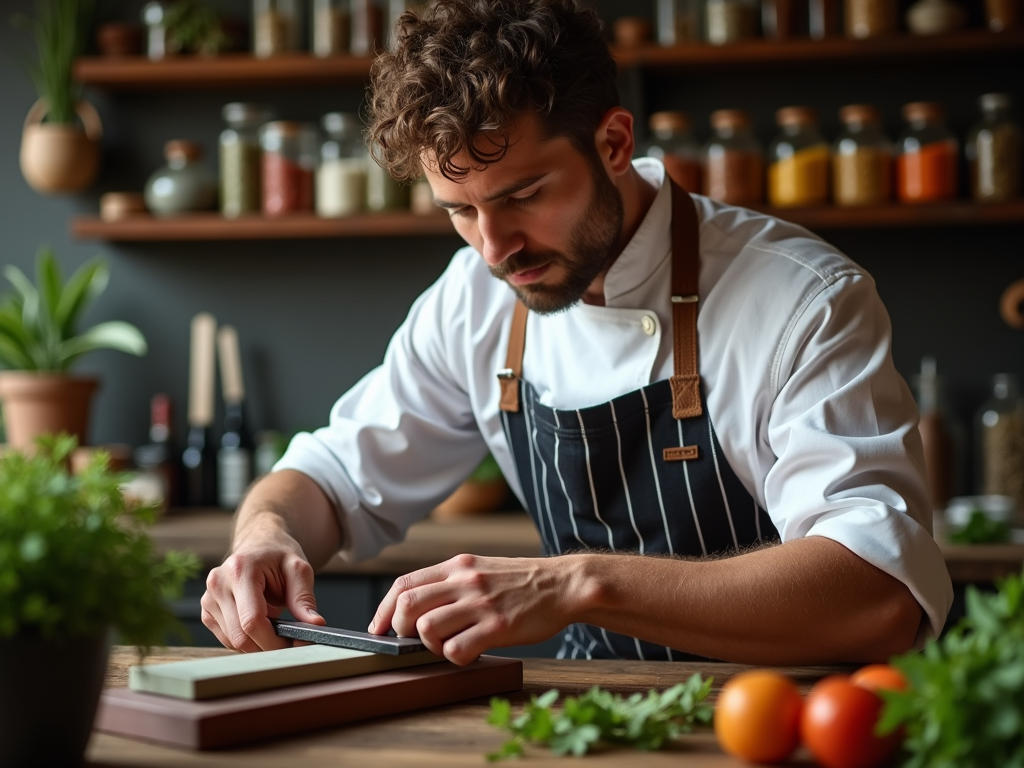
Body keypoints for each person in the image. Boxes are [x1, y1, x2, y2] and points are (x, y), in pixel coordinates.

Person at [201, 0, 952, 665]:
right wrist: (264, 537)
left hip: (792, 724)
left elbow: (877, 592)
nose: (494, 248)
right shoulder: (475, 298)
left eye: (524, 194)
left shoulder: (801, 298)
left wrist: (577, 581)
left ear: (615, 143)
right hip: (592, 716)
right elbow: (331, 479)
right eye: (459, 211)